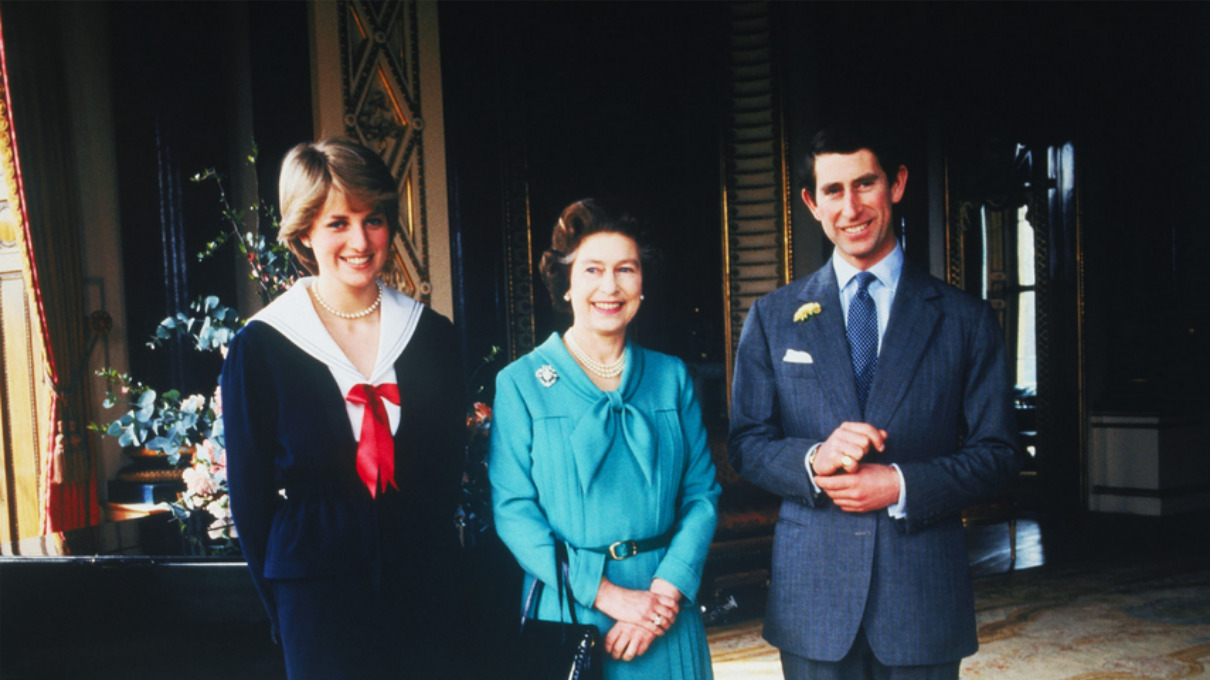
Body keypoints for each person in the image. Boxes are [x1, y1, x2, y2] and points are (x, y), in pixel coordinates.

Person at [727, 121, 1021, 679]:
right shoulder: (772, 318)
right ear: (812, 203)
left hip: (922, 598)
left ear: (898, 184)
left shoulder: (966, 319)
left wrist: (900, 484)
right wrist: (812, 459)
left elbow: (999, 454)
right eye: (834, 191)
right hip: (813, 600)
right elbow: (748, 444)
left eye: (866, 184)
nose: (851, 206)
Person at [222, 138, 464, 679]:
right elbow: (250, 499)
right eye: (338, 223)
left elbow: (448, 475)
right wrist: (284, 605)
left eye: (373, 219)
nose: (360, 240)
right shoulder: (261, 346)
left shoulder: (432, 337)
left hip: (423, 587)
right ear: (304, 230)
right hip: (315, 596)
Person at [489, 199, 721, 679]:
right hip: (571, 614)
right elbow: (513, 510)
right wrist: (611, 596)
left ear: (642, 285)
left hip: (666, 613)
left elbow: (702, 495)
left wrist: (662, 596)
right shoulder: (522, 382)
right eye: (592, 269)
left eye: (626, 270)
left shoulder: (672, 377)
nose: (609, 286)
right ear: (566, 285)